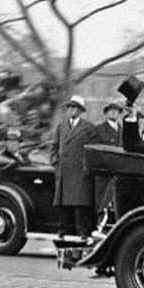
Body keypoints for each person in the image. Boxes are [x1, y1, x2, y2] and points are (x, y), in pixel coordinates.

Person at [50, 94, 98, 238]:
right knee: (64, 205)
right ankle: (63, 231)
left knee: (80, 205)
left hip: (80, 172)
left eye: (75, 107)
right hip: (64, 172)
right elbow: (54, 146)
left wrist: (86, 166)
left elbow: (92, 150)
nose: (71, 110)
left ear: (80, 110)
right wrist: (55, 163)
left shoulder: (89, 128)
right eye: (70, 107)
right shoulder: (62, 125)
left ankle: (82, 232)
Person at [92, 101, 126, 223]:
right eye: (110, 110)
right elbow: (94, 150)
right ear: (106, 113)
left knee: (117, 202)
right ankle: (99, 225)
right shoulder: (99, 129)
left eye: (116, 111)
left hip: (119, 171)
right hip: (103, 172)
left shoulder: (123, 130)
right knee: (102, 201)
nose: (113, 112)